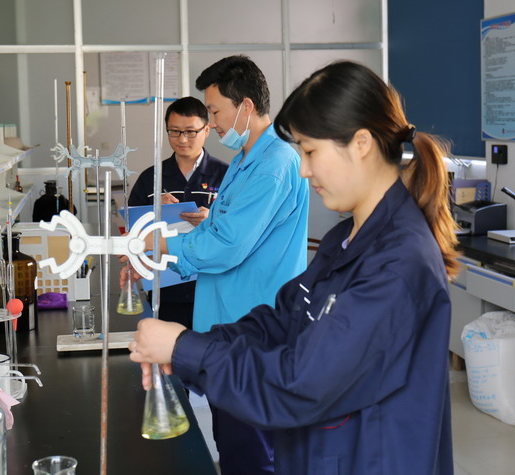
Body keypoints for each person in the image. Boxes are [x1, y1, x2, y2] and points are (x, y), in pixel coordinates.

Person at [129, 60, 460, 474]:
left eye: (310, 151)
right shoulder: (346, 238)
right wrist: (188, 344)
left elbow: (301, 383)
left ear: (361, 143)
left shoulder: (397, 264)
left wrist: (187, 350)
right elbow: (284, 318)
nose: (303, 169)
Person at [124, 55, 310, 475]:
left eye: (214, 111)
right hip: (228, 322)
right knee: (232, 441)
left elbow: (227, 245)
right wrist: (156, 249)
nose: (212, 123)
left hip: (255, 327)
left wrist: (160, 248)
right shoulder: (246, 159)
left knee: (252, 449)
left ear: (246, 106)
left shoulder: (275, 163)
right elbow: (218, 229)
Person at [128, 96, 228, 329]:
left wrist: (211, 220)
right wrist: (153, 212)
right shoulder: (151, 178)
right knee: (168, 347)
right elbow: (133, 231)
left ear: (206, 130)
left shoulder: (226, 176)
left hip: (211, 285)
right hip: (165, 289)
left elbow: (241, 229)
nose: (182, 139)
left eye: (190, 132)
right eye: (174, 131)